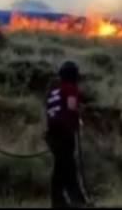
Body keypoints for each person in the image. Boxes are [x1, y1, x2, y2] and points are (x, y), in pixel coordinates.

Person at [45, 61, 90, 208]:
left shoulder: (53, 91)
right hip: (65, 133)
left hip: (52, 134)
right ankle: (62, 201)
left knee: (66, 166)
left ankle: (75, 200)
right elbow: (71, 106)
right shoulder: (70, 89)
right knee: (64, 166)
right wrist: (79, 117)